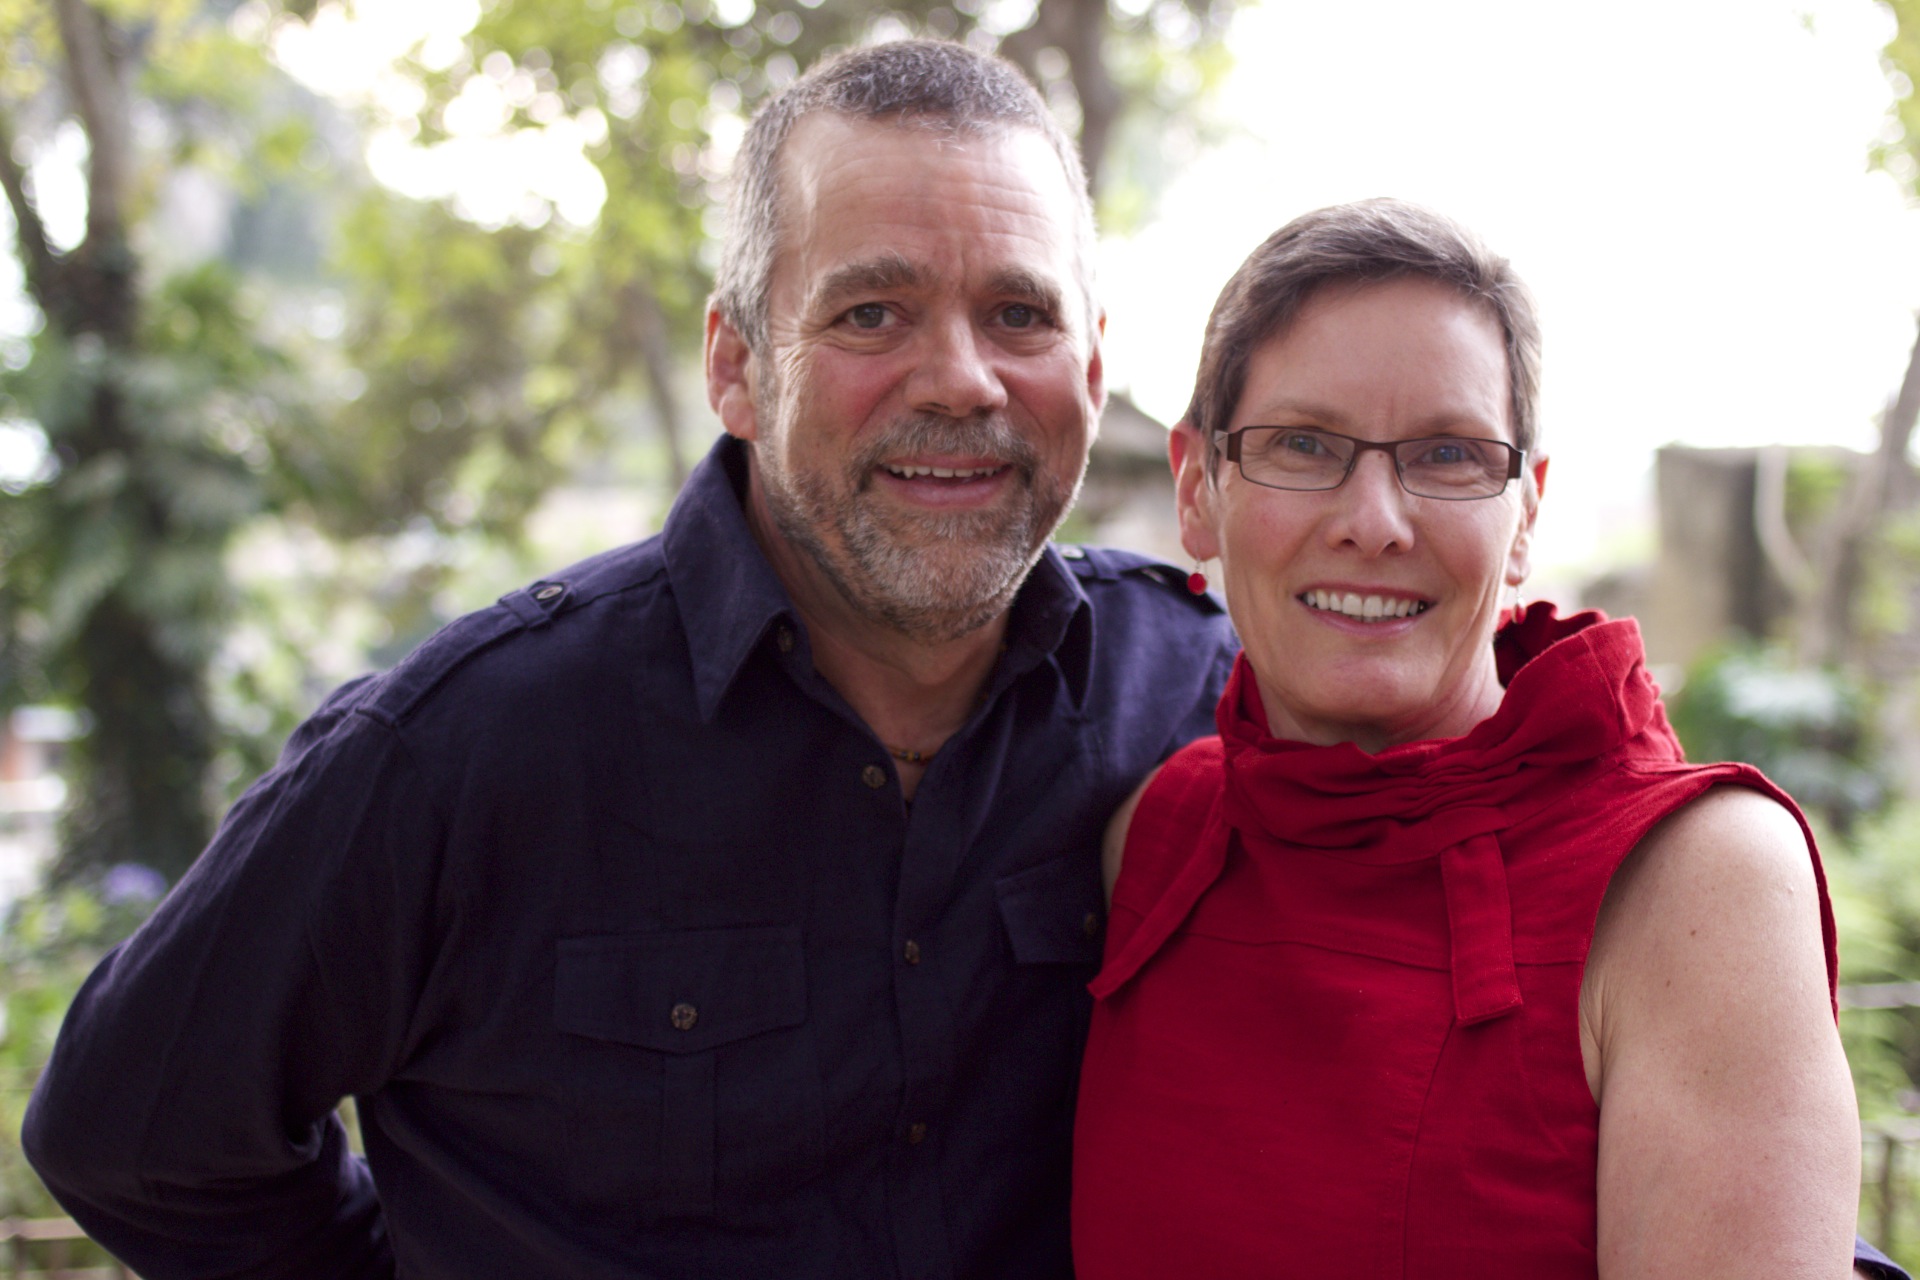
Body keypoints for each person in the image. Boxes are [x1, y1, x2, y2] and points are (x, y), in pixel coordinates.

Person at [22, 41, 1236, 1279]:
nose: (963, 378)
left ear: (1090, 366)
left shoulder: (1200, 696)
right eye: (873, 311)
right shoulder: (463, 745)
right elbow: (134, 1134)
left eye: (1018, 314)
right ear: (736, 366)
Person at [1070, 199, 1873, 1277]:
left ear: (1527, 513)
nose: (1376, 519)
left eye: (1447, 453)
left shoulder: (1697, 883)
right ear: (1196, 487)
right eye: (1303, 444)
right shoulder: (1159, 832)